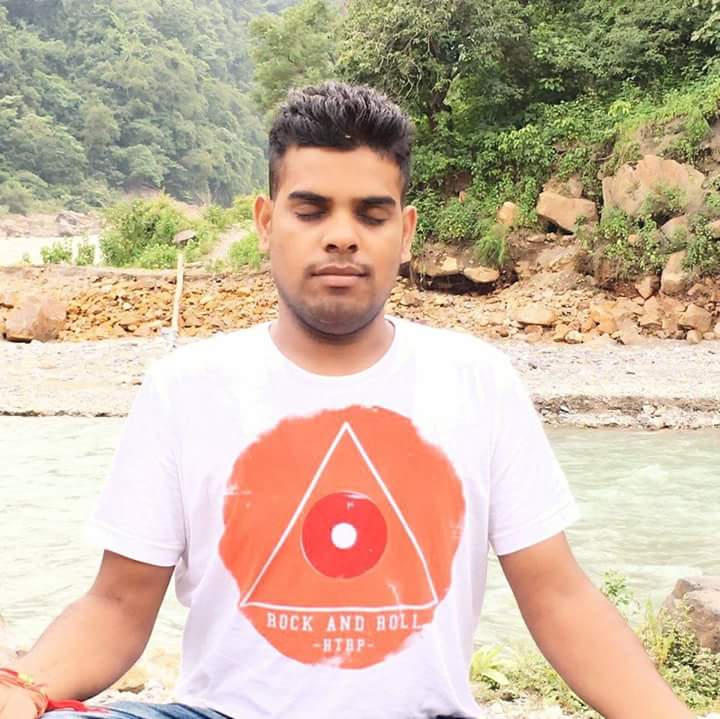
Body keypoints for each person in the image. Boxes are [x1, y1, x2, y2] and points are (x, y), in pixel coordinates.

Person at [0, 82, 695, 719]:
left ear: (406, 232)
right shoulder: (184, 387)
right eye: (311, 210)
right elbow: (118, 604)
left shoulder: (478, 381)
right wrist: (24, 689)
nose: (341, 235)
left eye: (371, 213)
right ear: (266, 222)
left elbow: (558, 596)